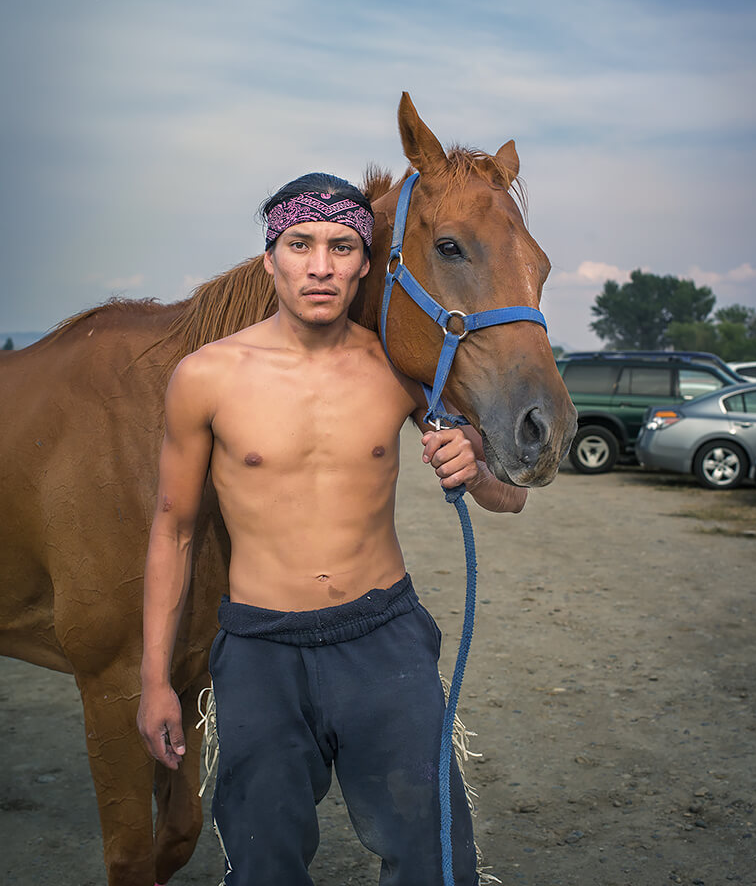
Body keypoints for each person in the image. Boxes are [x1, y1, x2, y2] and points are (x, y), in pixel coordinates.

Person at [137, 173, 527, 886]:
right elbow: (174, 532)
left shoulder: (401, 369)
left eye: (342, 246)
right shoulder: (207, 377)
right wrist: (154, 678)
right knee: (263, 863)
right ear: (270, 259)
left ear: (365, 262)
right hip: (259, 651)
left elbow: (510, 496)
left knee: (434, 857)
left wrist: (472, 462)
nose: (320, 265)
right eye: (300, 244)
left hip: (383, 640)